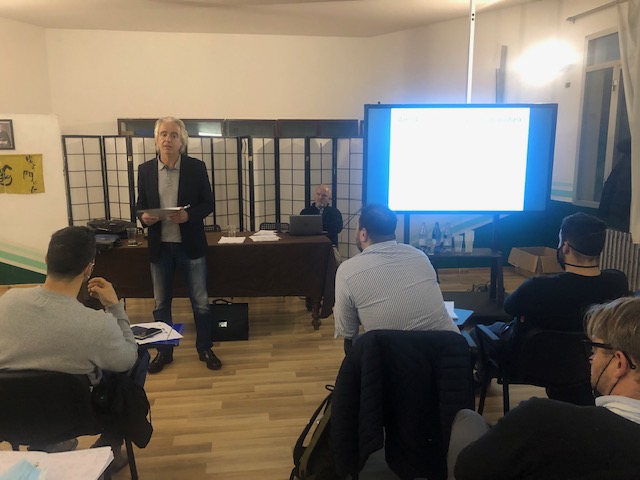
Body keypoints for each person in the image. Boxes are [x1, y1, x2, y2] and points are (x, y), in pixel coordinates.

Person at [449, 296, 640, 480]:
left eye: (594, 349)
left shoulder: (540, 420)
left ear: (619, 364)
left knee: (467, 419)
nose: (591, 358)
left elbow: (467, 470)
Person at [0, 226, 143, 469]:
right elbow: (128, 359)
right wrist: (114, 307)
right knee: (138, 360)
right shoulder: (95, 324)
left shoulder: (7, 302)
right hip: (79, 417)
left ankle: (48, 444)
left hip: (10, 417)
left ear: (47, 259)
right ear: (89, 268)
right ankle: (110, 445)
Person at [475, 212, 629, 404]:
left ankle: (479, 379)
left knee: (477, 333)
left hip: (530, 367)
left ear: (565, 247)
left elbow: (509, 307)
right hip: (590, 365)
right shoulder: (617, 283)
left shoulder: (537, 287)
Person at [136, 116, 220, 374]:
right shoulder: (145, 170)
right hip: (160, 247)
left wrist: (188, 215)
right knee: (161, 303)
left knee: (201, 301)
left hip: (190, 245)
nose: (168, 139)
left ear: (182, 140)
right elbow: (140, 205)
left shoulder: (196, 167)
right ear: (156, 139)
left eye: (173, 135)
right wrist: (143, 217)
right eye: (163, 134)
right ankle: (164, 351)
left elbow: (208, 204)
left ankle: (204, 348)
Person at [333, 203, 458, 353]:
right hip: (449, 356)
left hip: (392, 362)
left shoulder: (347, 271)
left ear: (363, 234)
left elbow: (347, 331)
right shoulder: (419, 256)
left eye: (356, 228)